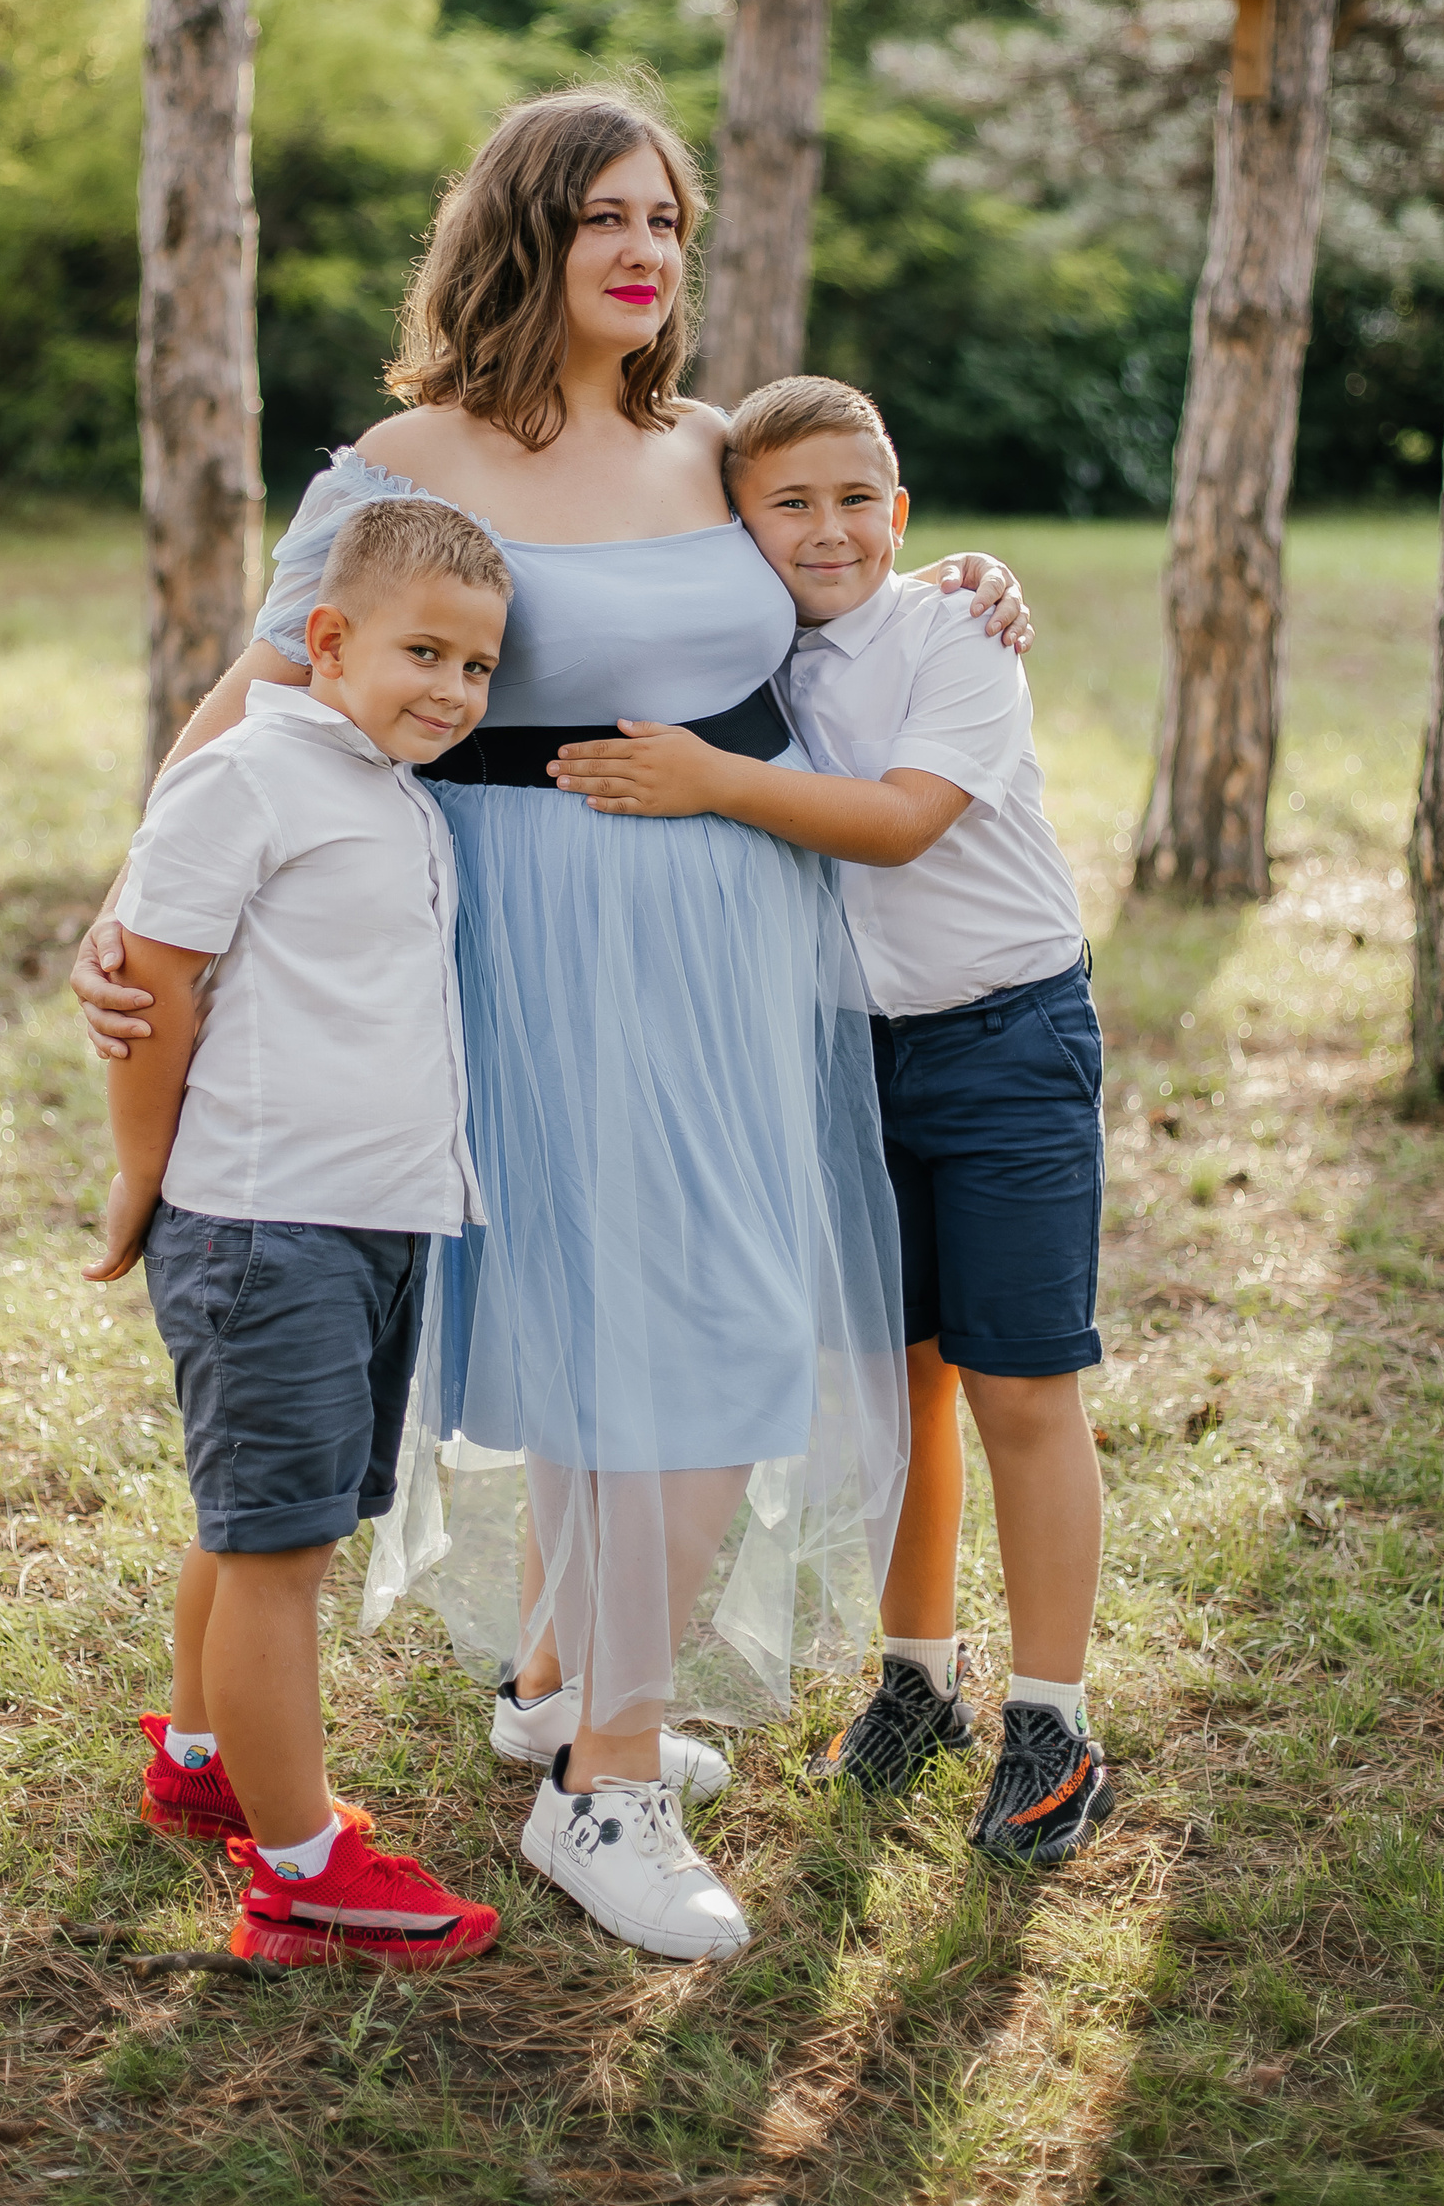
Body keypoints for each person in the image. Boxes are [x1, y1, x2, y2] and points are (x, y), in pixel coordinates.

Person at [75, 85, 1031, 1961]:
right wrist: (131, 905)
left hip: (729, 947)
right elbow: (267, 687)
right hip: (509, 944)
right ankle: (608, 1781)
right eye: (605, 214)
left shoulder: (715, 446)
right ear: (524, 231)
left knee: (709, 1318)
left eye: (666, 217)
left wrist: (958, 585)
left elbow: (840, 565)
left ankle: (564, 1691)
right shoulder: (405, 463)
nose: (644, 248)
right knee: (628, 1330)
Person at [545, 373, 1111, 1868]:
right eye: (788, 503)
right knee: (894, 1380)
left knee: (1021, 1385)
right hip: (840, 1058)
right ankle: (918, 1677)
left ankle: (1053, 1723)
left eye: (859, 500)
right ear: (736, 528)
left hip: (1005, 1039)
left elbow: (905, 820)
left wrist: (710, 782)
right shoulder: (743, 657)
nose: (829, 530)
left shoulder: (955, 634)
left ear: (902, 512)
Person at [86, 495, 511, 1970]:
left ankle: (204, 1757)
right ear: (325, 641)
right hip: (269, 1226)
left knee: (267, 1525)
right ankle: (304, 1874)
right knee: (280, 1554)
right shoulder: (247, 777)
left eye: (477, 666)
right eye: (423, 653)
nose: (453, 691)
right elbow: (149, 985)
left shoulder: (385, 787)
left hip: (367, 1221)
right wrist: (141, 1175)